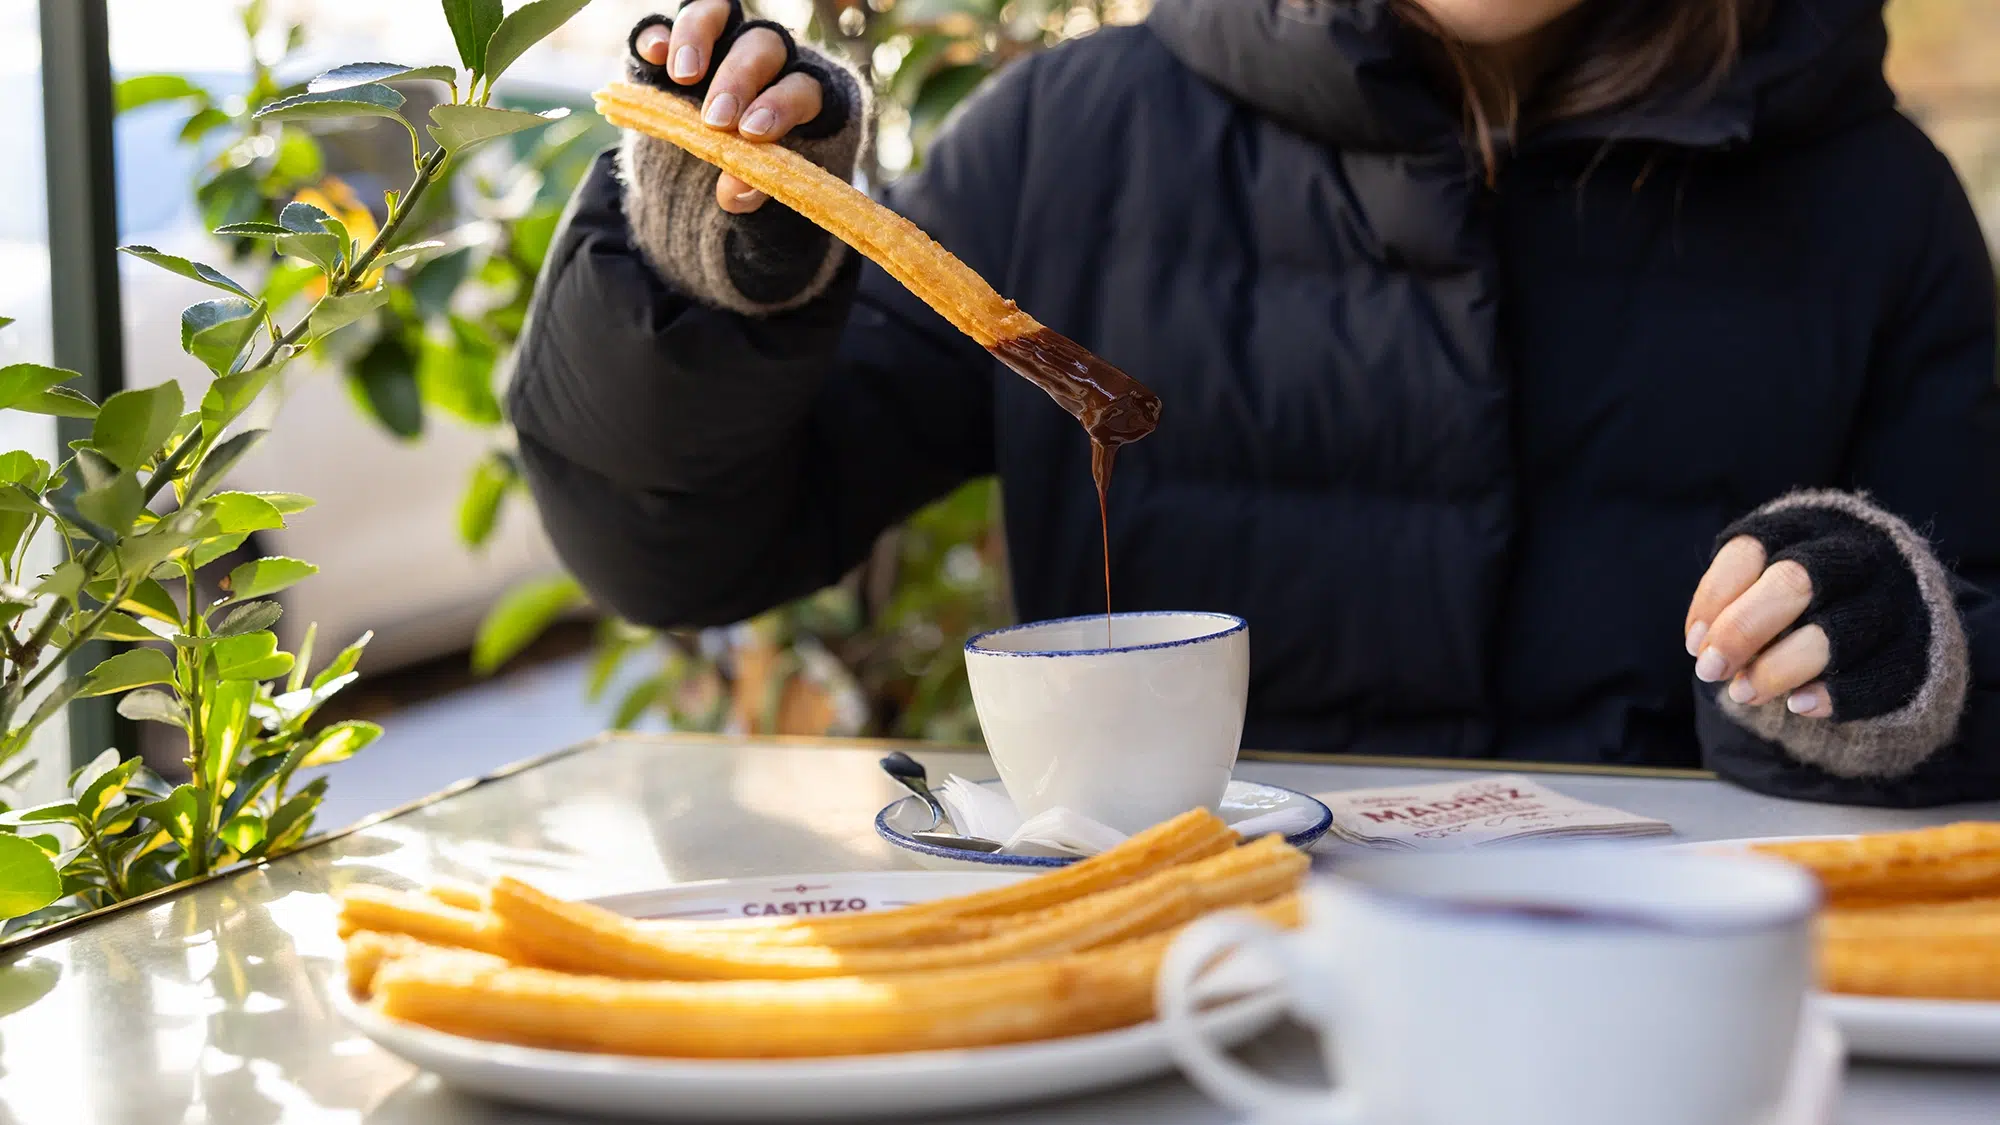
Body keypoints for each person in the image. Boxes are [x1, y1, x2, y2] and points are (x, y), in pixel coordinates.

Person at [507, 0, 2000, 806]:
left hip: (1675, 1005)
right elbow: (680, 553)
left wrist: (1889, 655)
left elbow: (1974, 637)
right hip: (1174, 989)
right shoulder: (1066, 148)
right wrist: (723, 281)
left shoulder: (1868, 200)